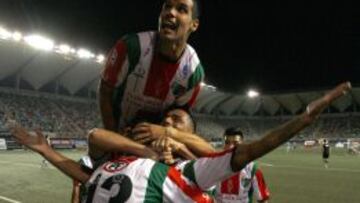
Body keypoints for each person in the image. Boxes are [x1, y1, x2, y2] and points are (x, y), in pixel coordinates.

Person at [9, 82, 351, 202]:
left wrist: (302, 120)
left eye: (174, 125)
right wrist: (46, 150)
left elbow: (242, 153)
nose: (164, 129)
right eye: (164, 123)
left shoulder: (183, 178)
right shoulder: (125, 162)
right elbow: (87, 173)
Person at [99, 0, 204, 132]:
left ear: (194, 25)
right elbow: (105, 91)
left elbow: (181, 116)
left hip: (155, 138)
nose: (170, 12)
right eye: (167, 6)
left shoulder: (193, 72)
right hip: (118, 131)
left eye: (182, 9)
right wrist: (112, 136)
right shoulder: (131, 47)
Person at [214, 127, 270, 203]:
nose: (231, 147)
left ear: (242, 144)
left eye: (235, 143)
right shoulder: (214, 166)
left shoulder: (252, 168)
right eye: (227, 143)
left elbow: (263, 199)